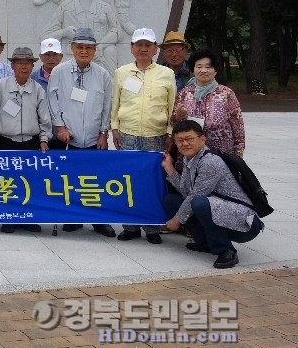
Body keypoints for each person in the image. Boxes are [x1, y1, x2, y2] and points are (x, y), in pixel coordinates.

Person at [161, 120, 263, 269]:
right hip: (220, 211)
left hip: (245, 224)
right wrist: (169, 168)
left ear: (203, 139)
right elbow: (185, 192)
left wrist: (177, 220)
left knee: (199, 203)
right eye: (180, 140)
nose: (185, 144)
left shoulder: (210, 162)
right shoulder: (189, 159)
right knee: (172, 200)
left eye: (190, 139)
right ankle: (205, 242)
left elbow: (195, 196)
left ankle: (226, 251)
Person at [46, 28, 117, 237]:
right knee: (70, 179)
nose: (84, 51)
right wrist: (59, 126)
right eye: (80, 47)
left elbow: (107, 106)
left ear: (95, 50)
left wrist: (104, 132)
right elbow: (52, 100)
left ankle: (98, 220)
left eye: (88, 48)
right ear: (72, 49)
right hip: (68, 136)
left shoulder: (102, 74)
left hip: (95, 138)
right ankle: (72, 217)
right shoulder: (59, 71)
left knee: (95, 180)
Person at [111, 28, 177, 244]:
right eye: (138, 45)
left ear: (155, 49)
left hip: (155, 135)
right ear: (131, 48)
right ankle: (130, 227)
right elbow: (116, 102)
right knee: (128, 180)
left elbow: (172, 104)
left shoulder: (166, 74)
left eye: (147, 45)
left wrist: (169, 132)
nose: (143, 49)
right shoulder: (122, 72)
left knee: (153, 181)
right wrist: (114, 127)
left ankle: (152, 227)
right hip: (128, 133)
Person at [0, 46, 50, 233]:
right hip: (5, 140)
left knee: (28, 182)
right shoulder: (1, 86)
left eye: (28, 63)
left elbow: (44, 119)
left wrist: (44, 138)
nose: (24, 67)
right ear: (12, 66)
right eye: (20, 63)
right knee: (7, 181)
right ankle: (8, 218)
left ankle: (26, 218)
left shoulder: (37, 89)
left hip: (30, 141)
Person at [171, 50, 245, 157]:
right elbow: (174, 124)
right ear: (193, 69)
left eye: (208, 67)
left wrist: (239, 150)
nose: (203, 70)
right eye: (199, 67)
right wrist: (178, 116)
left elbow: (237, 124)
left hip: (221, 153)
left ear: (215, 70)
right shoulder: (185, 93)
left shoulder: (226, 93)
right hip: (191, 153)